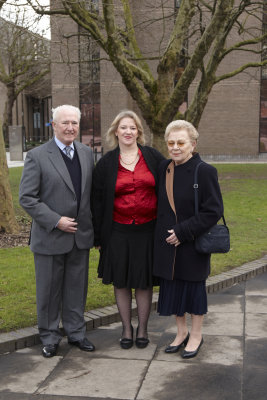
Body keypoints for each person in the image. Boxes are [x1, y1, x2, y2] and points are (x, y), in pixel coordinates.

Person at [19, 105, 95, 358]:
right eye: (65, 123)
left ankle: (76, 333)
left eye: (74, 123)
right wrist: (56, 220)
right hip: (50, 237)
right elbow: (27, 198)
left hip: (79, 237)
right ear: (53, 125)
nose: (70, 127)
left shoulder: (86, 153)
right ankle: (50, 337)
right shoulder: (37, 156)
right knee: (49, 292)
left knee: (76, 289)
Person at [92, 110, 164, 349]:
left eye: (133, 128)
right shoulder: (106, 163)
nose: (128, 132)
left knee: (143, 282)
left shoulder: (153, 157)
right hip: (117, 232)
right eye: (123, 127)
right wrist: (98, 236)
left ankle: (142, 329)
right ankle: (126, 328)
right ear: (116, 131)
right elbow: (97, 200)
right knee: (121, 282)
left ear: (138, 132)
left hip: (148, 231)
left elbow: (167, 188)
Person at [153, 120, 224, 359]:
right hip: (167, 244)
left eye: (181, 143)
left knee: (193, 291)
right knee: (173, 291)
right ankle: (181, 333)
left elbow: (212, 211)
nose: (175, 147)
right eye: (171, 143)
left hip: (191, 244)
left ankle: (196, 335)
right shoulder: (164, 167)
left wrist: (182, 233)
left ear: (192, 144)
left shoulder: (205, 171)